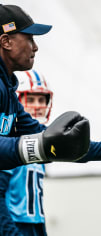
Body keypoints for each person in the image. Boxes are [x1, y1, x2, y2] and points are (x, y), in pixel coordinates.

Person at [0, 4, 101, 170]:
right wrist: (42, 146)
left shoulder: (7, 89)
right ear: (6, 42)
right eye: (30, 38)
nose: (35, 47)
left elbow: (43, 137)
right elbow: (42, 143)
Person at [0, 70, 53, 235]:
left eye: (41, 99)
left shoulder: (39, 144)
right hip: (15, 224)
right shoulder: (12, 141)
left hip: (34, 225)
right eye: (30, 99)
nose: (37, 105)